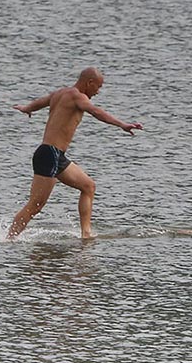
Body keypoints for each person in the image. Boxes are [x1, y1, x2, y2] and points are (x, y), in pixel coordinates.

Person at [7, 67, 142, 239]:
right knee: (35, 205)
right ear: (89, 83)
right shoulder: (79, 96)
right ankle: (9, 239)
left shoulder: (60, 93)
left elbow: (40, 102)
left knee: (88, 186)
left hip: (55, 156)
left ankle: (86, 235)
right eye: (98, 87)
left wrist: (27, 108)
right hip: (50, 155)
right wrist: (122, 124)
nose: (98, 92)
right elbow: (96, 112)